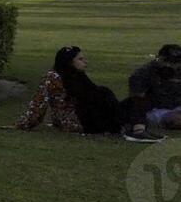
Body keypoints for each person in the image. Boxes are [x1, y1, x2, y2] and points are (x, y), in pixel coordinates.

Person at [17, 47, 163, 142]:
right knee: (103, 92)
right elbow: (39, 103)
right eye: (80, 59)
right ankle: (130, 130)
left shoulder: (79, 76)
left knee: (134, 100)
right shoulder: (54, 77)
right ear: (69, 62)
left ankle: (139, 130)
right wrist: (23, 124)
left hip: (90, 114)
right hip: (77, 120)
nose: (85, 62)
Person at [128, 44, 181, 131]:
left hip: (178, 106)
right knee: (176, 120)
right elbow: (136, 102)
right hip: (157, 110)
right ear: (159, 58)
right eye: (166, 60)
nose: (170, 65)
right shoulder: (143, 73)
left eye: (175, 62)